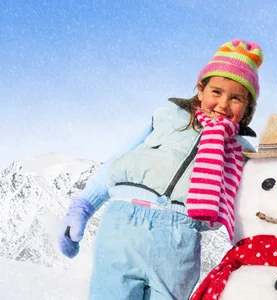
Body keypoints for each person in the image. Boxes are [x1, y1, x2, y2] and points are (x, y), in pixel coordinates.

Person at [57, 39, 264, 299]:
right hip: (123, 227)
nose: (223, 104)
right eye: (216, 92)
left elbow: (253, 205)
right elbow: (119, 160)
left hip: (180, 241)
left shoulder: (240, 152)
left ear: (246, 109)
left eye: (236, 98)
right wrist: (83, 207)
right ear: (200, 90)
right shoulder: (167, 118)